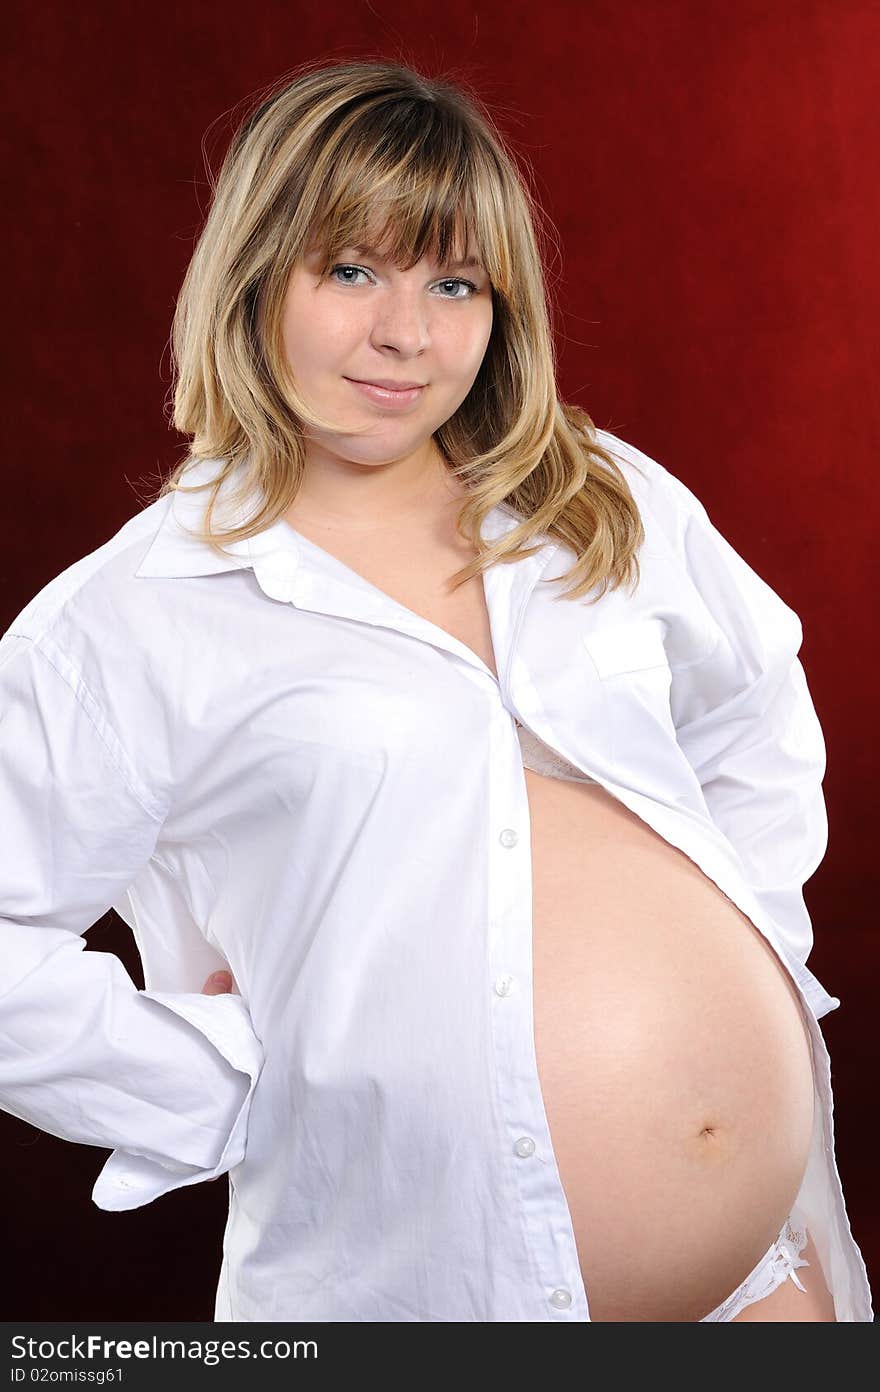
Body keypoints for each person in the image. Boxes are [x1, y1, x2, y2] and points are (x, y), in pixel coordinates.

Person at [0, 57, 873, 1323]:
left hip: (762, 1278)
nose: (407, 333)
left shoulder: (591, 494)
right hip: (426, 1297)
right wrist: (233, 1085)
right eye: (351, 271)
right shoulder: (136, 618)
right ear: (255, 275)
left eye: (453, 282)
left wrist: (751, 950)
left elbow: (752, 709)